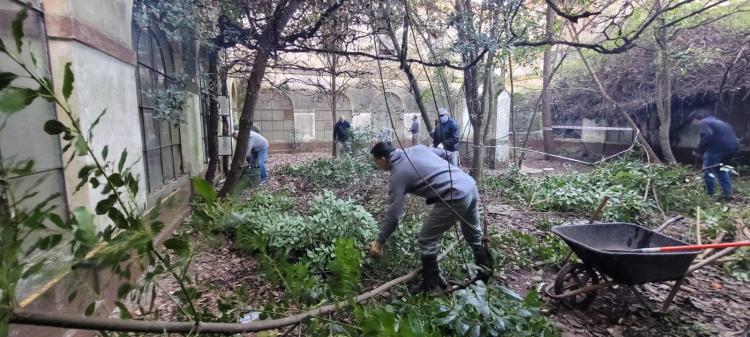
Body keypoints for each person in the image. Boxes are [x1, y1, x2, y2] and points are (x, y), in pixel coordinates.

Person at [368, 141, 493, 292]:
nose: (378, 167)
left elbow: (393, 215)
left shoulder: (398, 174)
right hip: (469, 185)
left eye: (377, 163)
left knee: (426, 239)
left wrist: (380, 241)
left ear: (382, 159)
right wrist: (454, 174)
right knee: (474, 234)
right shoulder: (418, 148)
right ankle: (485, 275)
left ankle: (431, 285)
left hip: (455, 195)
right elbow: (449, 154)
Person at [691, 110, 739, 200]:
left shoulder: (704, 122)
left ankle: (710, 195)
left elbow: (708, 135)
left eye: (693, 122)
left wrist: (698, 150)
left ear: (695, 119)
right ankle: (727, 194)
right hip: (733, 148)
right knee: (721, 169)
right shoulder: (719, 122)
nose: (693, 124)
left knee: (707, 170)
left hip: (718, 148)